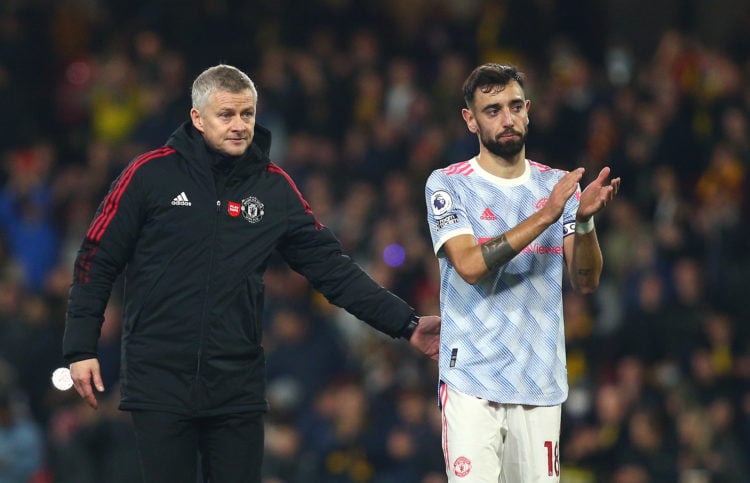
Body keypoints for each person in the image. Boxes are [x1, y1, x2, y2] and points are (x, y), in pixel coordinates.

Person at [63, 64, 440, 483]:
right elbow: (95, 259)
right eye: (227, 115)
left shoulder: (273, 188)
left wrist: (406, 324)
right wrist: (81, 347)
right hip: (159, 381)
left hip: (236, 385)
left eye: (247, 114)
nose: (240, 125)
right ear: (197, 118)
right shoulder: (149, 175)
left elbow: (333, 271)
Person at [424, 63, 620, 482]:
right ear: (470, 120)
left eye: (515, 106)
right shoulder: (448, 185)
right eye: (492, 110)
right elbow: (470, 265)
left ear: (528, 110)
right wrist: (547, 215)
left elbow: (585, 280)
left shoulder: (558, 185)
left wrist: (583, 223)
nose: (507, 118)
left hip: (540, 381)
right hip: (472, 380)